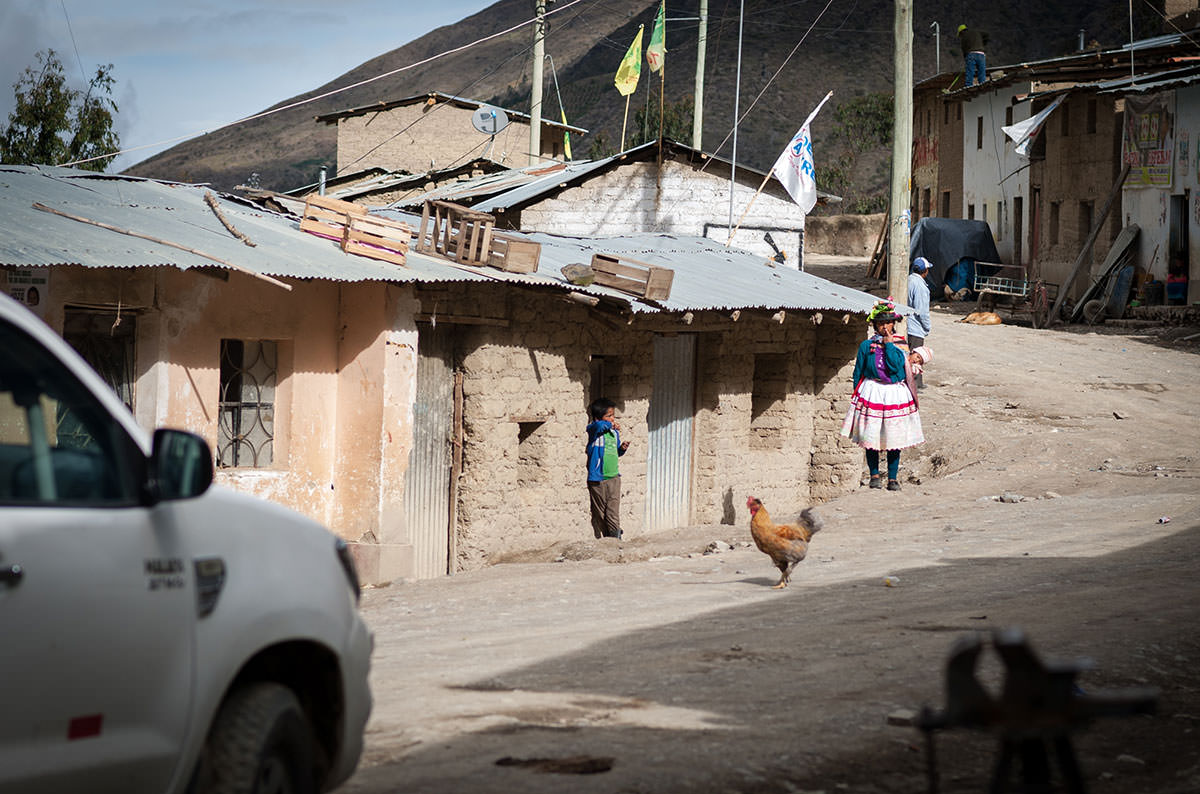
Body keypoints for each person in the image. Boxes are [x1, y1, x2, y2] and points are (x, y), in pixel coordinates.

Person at [840, 299, 924, 492]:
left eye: (887, 322)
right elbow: (858, 371)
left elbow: (896, 367)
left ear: (893, 324)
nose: (884, 326)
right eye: (880, 323)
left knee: (894, 439)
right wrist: (856, 395)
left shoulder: (901, 345)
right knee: (872, 436)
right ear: (875, 325)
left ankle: (893, 478)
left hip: (894, 394)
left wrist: (888, 345)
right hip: (872, 392)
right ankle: (874, 475)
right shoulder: (866, 346)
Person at [586, 397, 629, 539]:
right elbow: (598, 427)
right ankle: (608, 538)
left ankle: (616, 537)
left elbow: (614, 453)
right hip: (598, 479)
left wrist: (621, 449)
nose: (612, 419)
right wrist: (609, 424)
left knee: (613, 511)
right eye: (609, 415)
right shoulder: (594, 430)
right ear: (598, 418)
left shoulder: (613, 433)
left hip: (614, 478)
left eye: (613, 416)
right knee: (600, 512)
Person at [907, 257, 932, 389]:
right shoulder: (920, 286)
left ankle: (917, 383)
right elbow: (922, 311)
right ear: (925, 271)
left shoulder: (909, 280)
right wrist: (927, 327)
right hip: (916, 327)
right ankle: (914, 384)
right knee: (916, 357)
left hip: (908, 325)